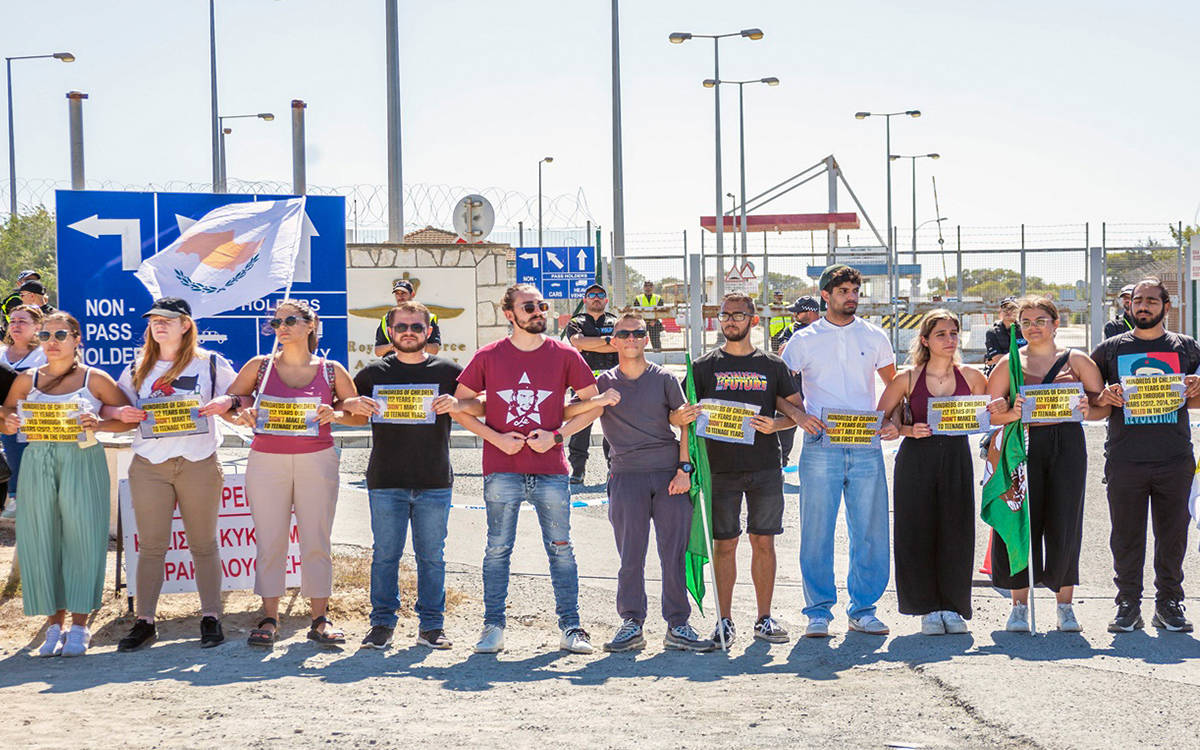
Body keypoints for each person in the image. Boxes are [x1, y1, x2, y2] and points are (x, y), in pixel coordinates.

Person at [454, 283, 614, 655]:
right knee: (497, 549)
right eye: (529, 307)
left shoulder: (564, 354)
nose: (538, 312)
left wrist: (557, 436)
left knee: (561, 549)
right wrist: (496, 439)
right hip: (501, 468)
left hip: (552, 470)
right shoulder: (489, 355)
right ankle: (493, 627)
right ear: (509, 314)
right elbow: (459, 406)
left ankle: (572, 627)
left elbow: (595, 405)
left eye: (541, 305)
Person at [226, 300, 365, 649]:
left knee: (316, 539)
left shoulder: (331, 370)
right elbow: (233, 399)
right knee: (270, 539)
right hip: (266, 460)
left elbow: (357, 414)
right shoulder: (260, 366)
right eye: (276, 321)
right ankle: (269, 616)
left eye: (290, 319)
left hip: (316, 459)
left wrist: (335, 414)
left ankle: (319, 617)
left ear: (310, 325)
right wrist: (241, 412)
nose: (281, 326)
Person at [577, 312, 715, 652]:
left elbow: (683, 423)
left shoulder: (665, 378)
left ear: (645, 338)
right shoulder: (602, 384)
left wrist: (685, 469)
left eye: (638, 333)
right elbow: (574, 412)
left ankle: (678, 625)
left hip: (669, 475)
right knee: (630, 556)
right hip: (625, 476)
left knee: (673, 553)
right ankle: (631, 623)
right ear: (614, 340)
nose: (632, 339)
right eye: (624, 334)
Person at [108, 297, 240, 651]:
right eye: (153, 318)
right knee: (151, 546)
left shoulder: (210, 362)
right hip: (150, 466)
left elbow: (239, 397)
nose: (159, 324)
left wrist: (228, 404)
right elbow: (113, 404)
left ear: (186, 324)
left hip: (198, 462)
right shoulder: (138, 366)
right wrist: (118, 411)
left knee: (204, 543)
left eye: (168, 318)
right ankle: (145, 621)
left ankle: (211, 616)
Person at [343, 301, 476, 651]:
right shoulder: (373, 373)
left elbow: (482, 403)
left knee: (431, 557)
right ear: (390, 330)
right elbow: (346, 411)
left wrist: (458, 406)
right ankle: (382, 624)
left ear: (429, 331)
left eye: (417, 327)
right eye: (402, 327)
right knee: (385, 554)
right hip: (386, 480)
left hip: (434, 480)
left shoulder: (449, 371)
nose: (409, 333)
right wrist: (351, 407)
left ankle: (432, 625)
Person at [1, 312, 132, 657]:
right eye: (45, 335)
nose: (53, 341)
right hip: (37, 461)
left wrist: (101, 423)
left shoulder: (96, 379)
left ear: (77, 339)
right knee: (41, 539)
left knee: (84, 539)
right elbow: (6, 415)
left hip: (82, 459)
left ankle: (80, 625)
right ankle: (53, 625)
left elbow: (128, 419)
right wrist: (9, 421)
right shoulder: (25, 380)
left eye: (61, 334)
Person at [780, 264, 899, 638]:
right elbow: (779, 389)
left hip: (865, 443)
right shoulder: (804, 340)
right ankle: (818, 611)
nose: (851, 296)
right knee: (817, 530)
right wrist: (799, 416)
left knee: (870, 529)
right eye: (843, 290)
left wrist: (892, 419)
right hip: (820, 444)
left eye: (854, 290)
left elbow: (895, 385)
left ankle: (863, 609)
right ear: (826, 295)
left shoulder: (875, 336)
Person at [984, 295, 1105, 632]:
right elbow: (992, 412)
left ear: (1056, 323)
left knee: (1065, 522)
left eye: (1040, 320)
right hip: (1021, 445)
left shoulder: (1076, 360)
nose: (1033, 327)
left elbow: (1102, 405)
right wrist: (1013, 411)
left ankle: (1065, 605)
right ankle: (1019, 605)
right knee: (1020, 521)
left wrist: (1088, 410)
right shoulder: (1008, 363)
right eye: (1026, 322)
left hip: (1066, 444)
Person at [691, 292, 805, 646]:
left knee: (764, 542)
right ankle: (723, 621)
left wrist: (776, 425)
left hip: (764, 467)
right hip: (720, 470)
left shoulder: (772, 365)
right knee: (724, 546)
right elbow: (685, 416)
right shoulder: (702, 366)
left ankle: (763, 618)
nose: (731, 321)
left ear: (753, 321)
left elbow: (796, 413)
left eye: (738, 315)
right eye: (725, 315)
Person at [1091, 278, 1200, 633]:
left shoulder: (1187, 347)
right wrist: (1103, 397)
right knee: (1126, 536)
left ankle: (1169, 602)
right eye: (1138, 300)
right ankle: (1128, 604)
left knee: (1173, 535)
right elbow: (1088, 403)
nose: (1143, 306)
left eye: (1152, 300)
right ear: (1128, 306)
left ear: (1166, 307)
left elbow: (1196, 399)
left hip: (1174, 459)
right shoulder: (1109, 350)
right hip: (1125, 459)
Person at [877, 310, 987, 635]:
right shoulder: (907, 378)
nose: (949, 339)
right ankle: (925, 608)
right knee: (916, 531)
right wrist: (907, 431)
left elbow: (994, 410)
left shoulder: (972, 376)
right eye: (941, 334)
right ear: (925, 340)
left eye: (954, 333)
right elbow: (880, 418)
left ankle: (953, 607)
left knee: (957, 531)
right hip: (916, 460)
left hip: (956, 458)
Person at [564, 283, 618, 484]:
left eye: (600, 295)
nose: (596, 297)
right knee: (580, 426)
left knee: (613, 427)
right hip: (582, 382)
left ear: (605, 300)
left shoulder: (615, 321)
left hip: (612, 380)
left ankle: (613, 468)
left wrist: (592, 343)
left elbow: (618, 344)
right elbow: (578, 343)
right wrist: (607, 341)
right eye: (591, 295)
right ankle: (578, 470)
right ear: (585, 300)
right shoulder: (576, 321)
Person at [0, 304, 46, 519]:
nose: (16, 325)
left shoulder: (43, 355)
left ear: (37, 326)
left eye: (22, 321)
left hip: (37, 423)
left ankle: (19, 496)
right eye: (13, 321)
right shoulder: (0, 353)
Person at [775, 295, 820, 465]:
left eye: (798, 312)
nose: (795, 315)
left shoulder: (824, 329)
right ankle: (780, 462)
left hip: (817, 383)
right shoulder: (792, 330)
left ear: (810, 312)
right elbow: (782, 351)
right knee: (787, 420)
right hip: (793, 383)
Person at [374, 279, 441, 357]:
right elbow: (378, 351)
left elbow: (434, 349)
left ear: (412, 294)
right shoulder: (387, 319)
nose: (400, 296)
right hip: (393, 367)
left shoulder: (427, 317)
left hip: (419, 366)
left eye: (403, 293)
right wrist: (394, 346)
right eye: (397, 293)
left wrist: (414, 345)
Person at [984, 297, 1025, 374]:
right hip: (999, 372)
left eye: (1012, 308)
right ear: (1000, 311)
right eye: (1005, 308)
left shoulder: (1024, 330)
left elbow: (1031, 355)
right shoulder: (992, 332)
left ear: (1019, 312)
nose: (1008, 311)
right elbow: (995, 358)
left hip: (1021, 372)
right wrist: (1020, 357)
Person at [1, 270, 40, 334]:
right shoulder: (15, 299)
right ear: (19, 284)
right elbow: (17, 322)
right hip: (12, 336)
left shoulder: (37, 297)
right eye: (28, 280)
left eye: (34, 281)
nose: (31, 283)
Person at [633, 281, 664, 351]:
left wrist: (654, 320)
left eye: (650, 286)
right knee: (640, 340)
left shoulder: (658, 298)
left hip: (654, 323)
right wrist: (643, 322)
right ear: (643, 287)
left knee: (656, 341)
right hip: (642, 323)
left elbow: (661, 311)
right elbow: (636, 312)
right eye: (646, 286)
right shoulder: (638, 298)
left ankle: (658, 355)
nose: (648, 288)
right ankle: (639, 356)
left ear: (653, 287)